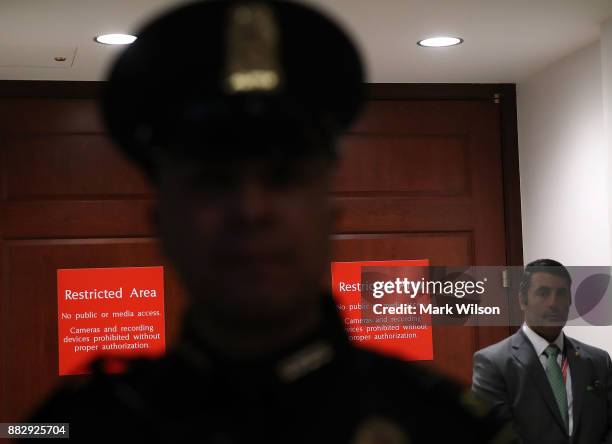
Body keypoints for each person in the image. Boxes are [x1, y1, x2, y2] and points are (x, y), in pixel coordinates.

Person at [24, 1, 515, 443]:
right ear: (161, 224)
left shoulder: (445, 430)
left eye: (283, 178)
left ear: (330, 218)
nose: (250, 210)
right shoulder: (87, 429)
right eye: (213, 181)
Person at [472, 259, 612, 443]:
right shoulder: (493, 363)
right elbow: (493, 435)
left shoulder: (598, 361)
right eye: (543, 293)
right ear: (522, 301)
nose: (553, 303)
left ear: (570, 301)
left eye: (561, 294)